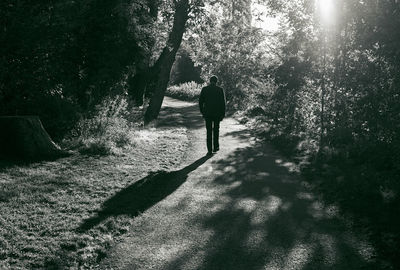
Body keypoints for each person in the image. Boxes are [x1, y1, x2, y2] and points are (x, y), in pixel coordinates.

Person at [199, 75, 226, 155]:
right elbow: (223, 103)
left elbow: (200, 102)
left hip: (207, 114)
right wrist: (222, 114)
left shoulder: (205, 89)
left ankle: (209, 149)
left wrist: (202, 112)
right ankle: (216, 147)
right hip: (217, 114)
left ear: (210, 81)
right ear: (216, 81)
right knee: (216, 130)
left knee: (209, 131)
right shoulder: (220, 90)